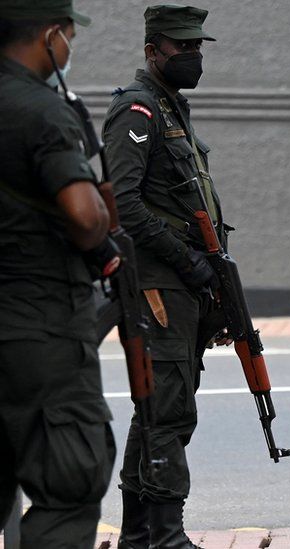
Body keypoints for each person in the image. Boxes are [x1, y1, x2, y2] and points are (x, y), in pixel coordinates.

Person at [101, 5, 227, 548]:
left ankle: (138, 538)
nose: (193, 56)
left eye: (199, 47)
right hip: (158, 283)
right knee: (168, 410)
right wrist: (187, 260)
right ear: (153, 51)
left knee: (160, 407)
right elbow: (123, 204)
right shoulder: (138, 111)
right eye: (182, 48)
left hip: (185, 284)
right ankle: (167, 537)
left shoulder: (172, 108)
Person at [0, 1, 117, 546]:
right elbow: (87, 218)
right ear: (50, 35)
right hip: (39, 325)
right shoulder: (41, 110)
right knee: (68, 483)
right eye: (69, 36)